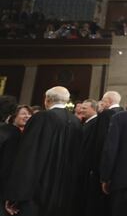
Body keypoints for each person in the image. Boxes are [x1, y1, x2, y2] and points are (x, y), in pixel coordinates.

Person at [4, 86, 82, 216]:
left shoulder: (42, 117)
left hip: (37, 192)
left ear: (47, 100)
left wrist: (15, 194)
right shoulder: (75, 121)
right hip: (63, 192)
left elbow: (28, 155)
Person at [78, 99, 100, 216]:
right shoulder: (86, 123)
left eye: (84, 108)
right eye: (81, 108)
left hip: (87, 169)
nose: (81, 110)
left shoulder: (95, 124)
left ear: (93, 109)